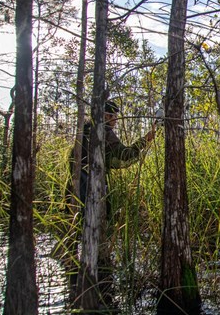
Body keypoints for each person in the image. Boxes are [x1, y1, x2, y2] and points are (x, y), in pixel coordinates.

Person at [65, 99, 156, 306]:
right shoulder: (103, 132)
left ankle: (76, 290)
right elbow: (123, 156)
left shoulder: (84, 130)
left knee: (73, 242)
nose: (115, 121)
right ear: (107, 116)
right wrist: (146, 140)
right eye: (113, 116)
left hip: (72, 194)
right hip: (92, 195)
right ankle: (100, 285)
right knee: (98, 241)